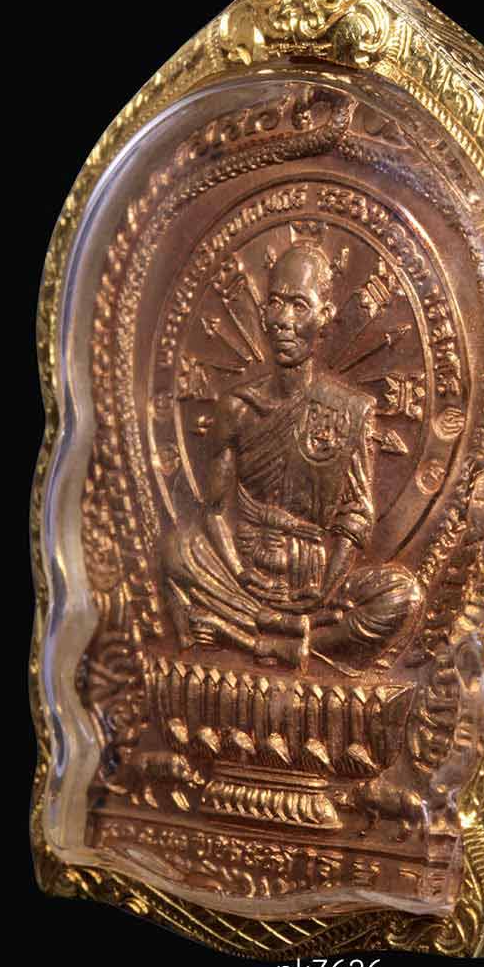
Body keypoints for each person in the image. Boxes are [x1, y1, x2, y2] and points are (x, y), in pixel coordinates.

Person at [164, 239, 421, 668]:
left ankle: (248, 636)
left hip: (315, 580)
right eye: (275, 303)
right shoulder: (237, 408)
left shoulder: (351, 410)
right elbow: (214, 511)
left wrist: (326, 587)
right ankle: (290, 634)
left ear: (325, 316)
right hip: (243, 573)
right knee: (178, 549)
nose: (283, 320)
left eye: (300, 306)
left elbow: (356, 516)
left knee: (400, 595)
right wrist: (240, 573)